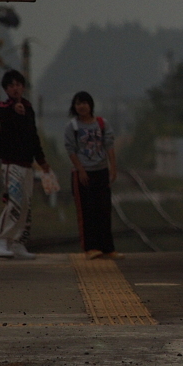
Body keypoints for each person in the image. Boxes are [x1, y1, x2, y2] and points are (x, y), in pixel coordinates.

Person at [0, 70, 50, 260]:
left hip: (27, 165)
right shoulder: (4, 106)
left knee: (26, 205)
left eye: (18, 84)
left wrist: (41, 161)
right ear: (6, 89)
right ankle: (0, 241)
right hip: (11, 164)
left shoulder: (28, 107)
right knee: (14, 203)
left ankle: (17, 243)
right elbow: (3, 112)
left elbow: (33, 136)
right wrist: (14, 111)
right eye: (11, 85)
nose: (15, 88)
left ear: (23, 87)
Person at [64, 91, 120, 259]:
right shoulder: (72, 127)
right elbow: (70, 150)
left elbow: (109, 145)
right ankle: (90, 247)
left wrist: (112, 167)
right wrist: (80, 170)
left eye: (85, 103)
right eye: (78, 103)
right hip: (83, 173)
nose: (82, 106)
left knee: (104, 209)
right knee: (87, 211)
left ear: (91, 105)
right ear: (74, 107)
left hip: (101, 171)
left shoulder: (102, 124)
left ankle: (107, 248)